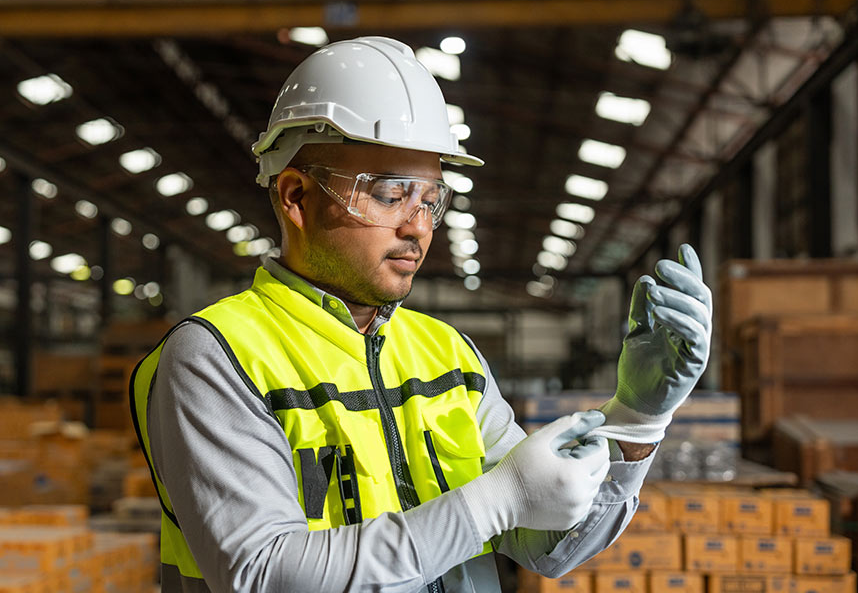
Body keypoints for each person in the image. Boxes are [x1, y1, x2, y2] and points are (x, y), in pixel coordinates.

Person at [130, 36, 712, 593]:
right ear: (295, 196)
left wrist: (636, 421)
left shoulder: (446, 352)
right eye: (389, 195)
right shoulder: (216, 356)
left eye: (431, 199)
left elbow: (548, 547)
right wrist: (494, 502)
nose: (418, 227)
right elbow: (264, 574)